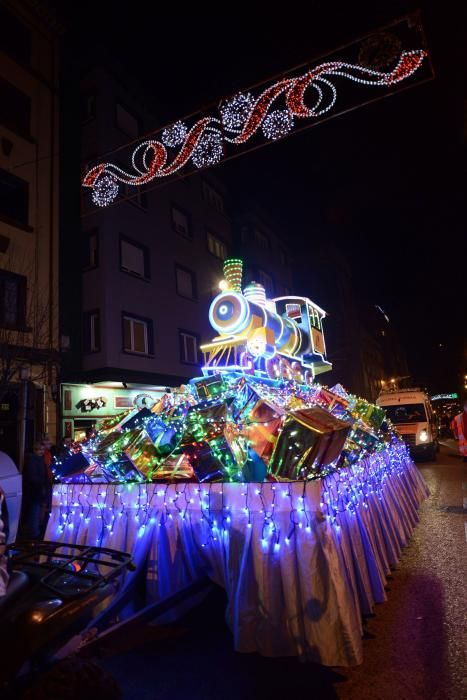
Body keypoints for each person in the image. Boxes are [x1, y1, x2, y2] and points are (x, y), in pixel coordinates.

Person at [21, 442, 49, 539]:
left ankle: (35, 531)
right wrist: (42, 483)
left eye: (42, 449)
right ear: (35, 450)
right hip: (34, 490)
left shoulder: (39, 459)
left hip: (38, 489)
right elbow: (32, 477)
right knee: (34, 511)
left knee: (36, 511)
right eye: (39, 449)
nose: (41, 451)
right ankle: (34, 533)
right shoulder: (33, 460)